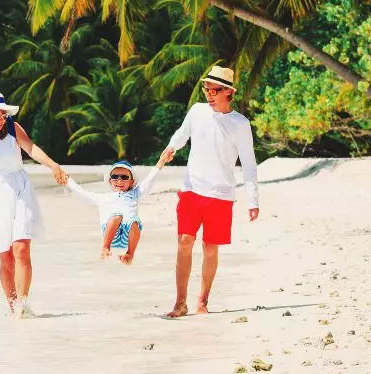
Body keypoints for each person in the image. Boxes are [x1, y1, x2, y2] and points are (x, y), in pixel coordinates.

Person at [0, 91, 68, 318]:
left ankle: (23, 305)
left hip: (19, 189)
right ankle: (13, 305)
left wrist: (53, 165)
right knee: (5, 256)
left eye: (3, 113)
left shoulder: (12, 128)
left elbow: (31, 149)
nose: (0, 119)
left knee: (21, 248)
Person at [161, 66, 260, 317]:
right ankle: (180, 302)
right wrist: (171, 148)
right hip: (191, 190)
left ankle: (203, 301)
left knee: (210, 249)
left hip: (221, 195)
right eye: (206, 88)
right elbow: (182, 135)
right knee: (184, 242)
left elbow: (248, 163)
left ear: (228, 91)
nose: (208, 94)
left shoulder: (240, 124)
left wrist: (253, 199)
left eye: (214, 90)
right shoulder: (197, 111)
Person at [65, 155, 167, 264]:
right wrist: (67, 180)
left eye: (124, 177)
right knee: (117, 216)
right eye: (115, 177)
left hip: (128, 237)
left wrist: (162, 161)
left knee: (134, 221)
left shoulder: (135, 193)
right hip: (110, 234)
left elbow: (150, 179)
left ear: (131, 182)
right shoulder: (103, 198)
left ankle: (130, 254)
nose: (119, 180)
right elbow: (81, 192)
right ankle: (105, 247)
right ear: (110, 180)